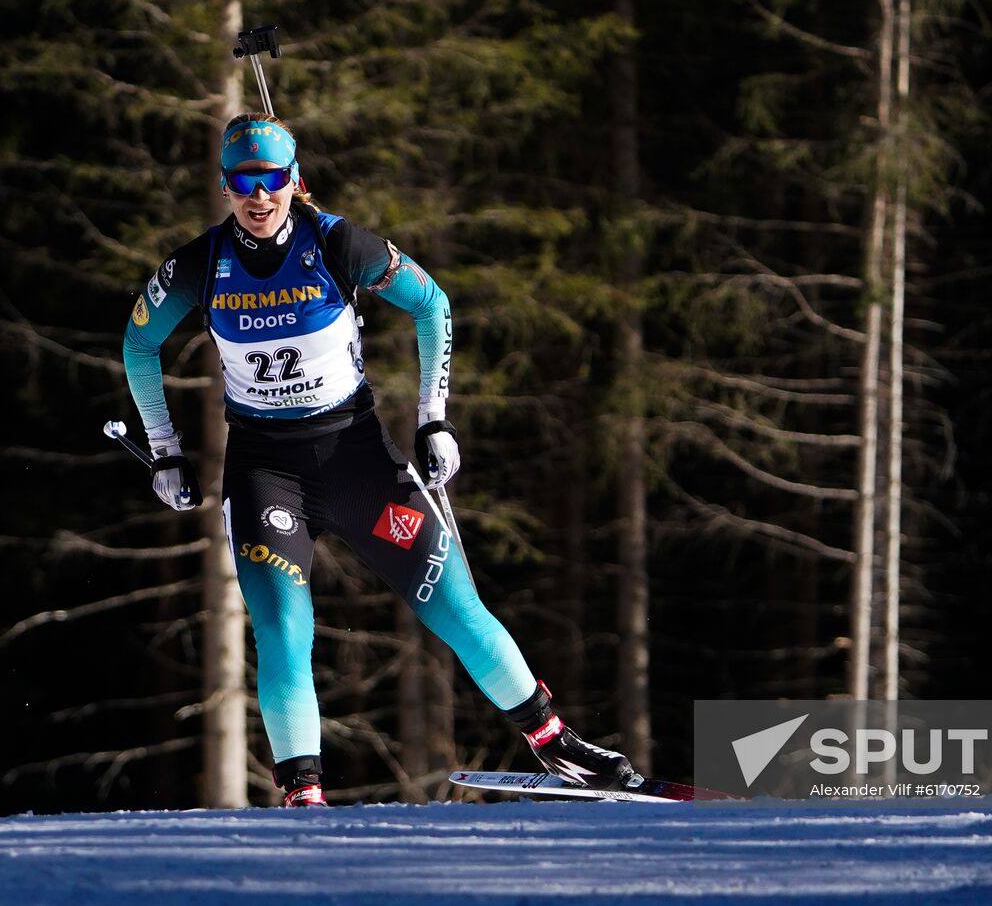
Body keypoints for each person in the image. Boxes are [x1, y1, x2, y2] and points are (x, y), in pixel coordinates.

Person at [122, 113, 640, 807]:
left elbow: (431, 304)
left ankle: (558, 747)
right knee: (280, 627)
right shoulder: (197, 264)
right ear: (223, 185)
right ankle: (303, 794)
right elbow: (138, 345)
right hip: (265, 470)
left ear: (294, 181)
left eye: (272, 179)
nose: (259, 195)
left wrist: (435, 421)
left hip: (357, 458)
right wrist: (164, 451)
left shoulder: (338, 243)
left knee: (455, 605)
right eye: (243, 181)